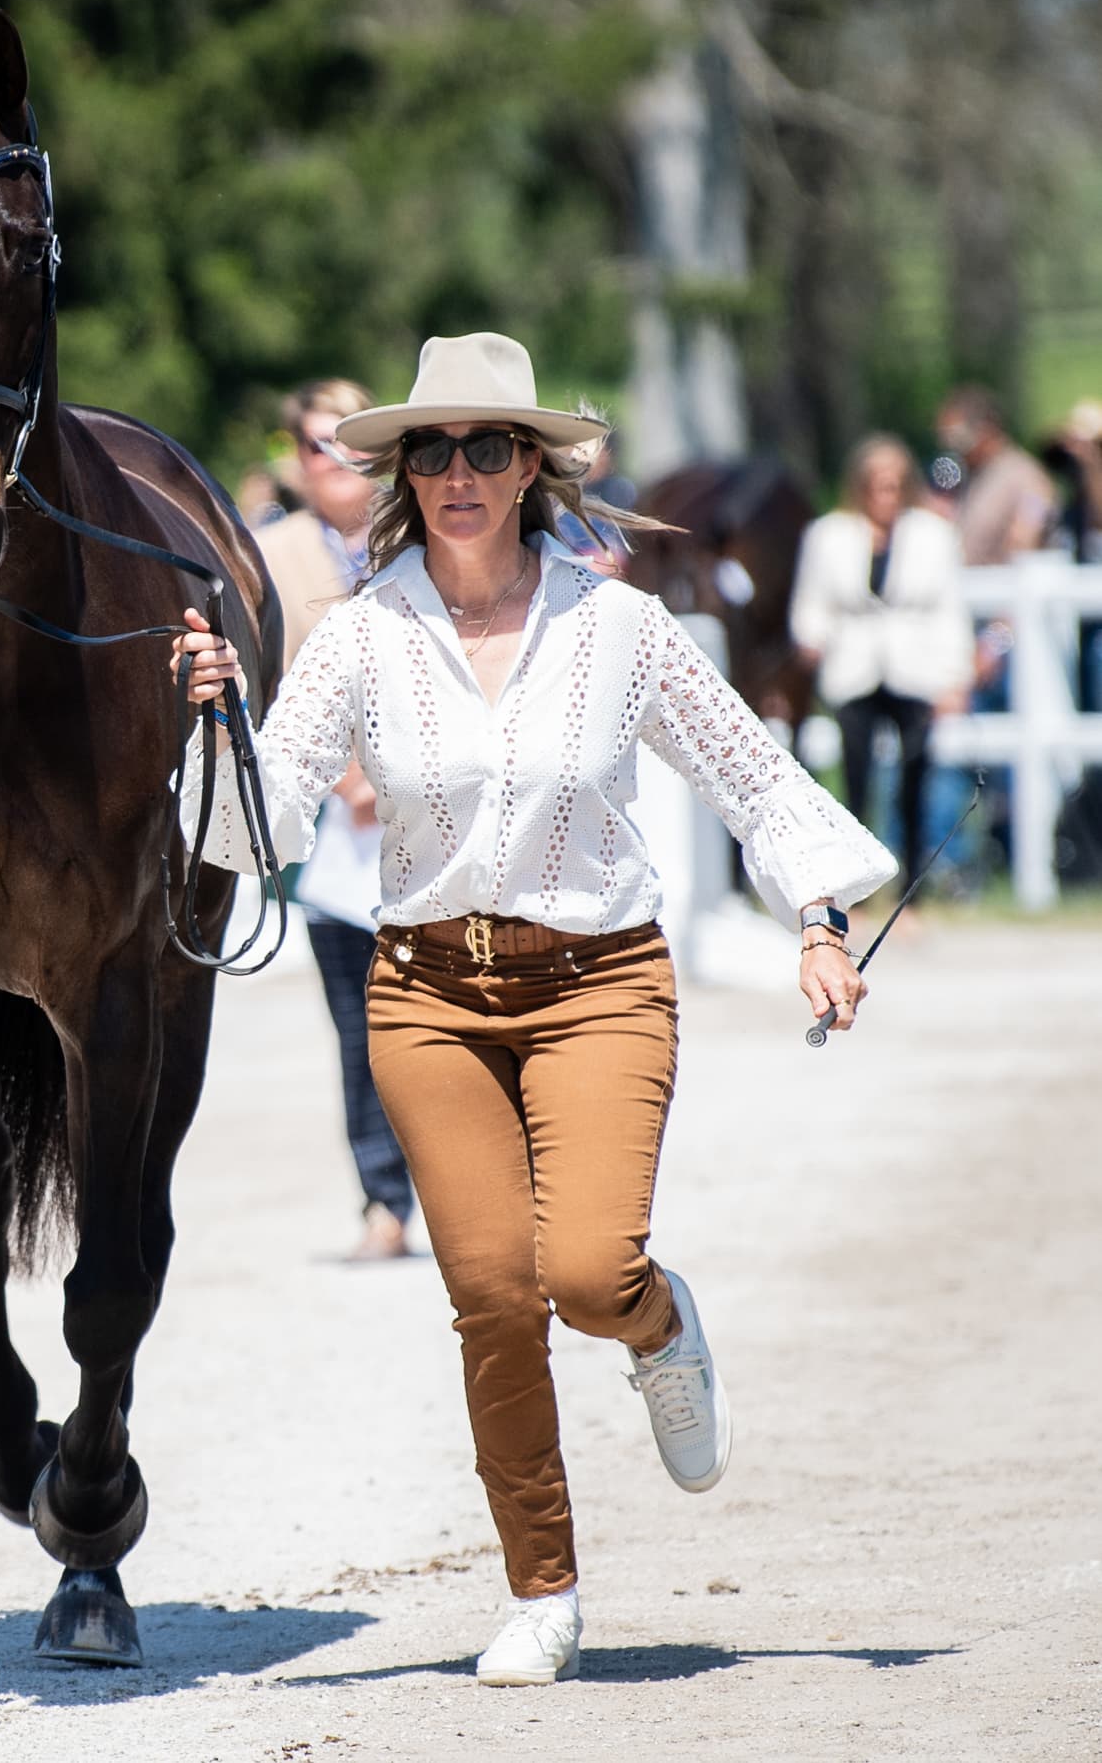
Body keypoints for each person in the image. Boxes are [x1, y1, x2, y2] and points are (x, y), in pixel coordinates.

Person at [173, 332, 895, 1687]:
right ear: (402, 472)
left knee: (584, 1274)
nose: (458, 472)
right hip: (428, 992)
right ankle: (543, 1589)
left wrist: (816, 916)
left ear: (531, 469)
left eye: (487, 447)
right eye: (432, 449)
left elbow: (749, 771)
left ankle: (656, 1321)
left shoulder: (616, 625)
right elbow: (256, 821)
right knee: (495, 1293)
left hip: (597, 982)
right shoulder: (364, 631)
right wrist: (208, 722)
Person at [254, 377, 415, 1260]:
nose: (338, 461)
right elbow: (258, 681)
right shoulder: (270, 555)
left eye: (354, 441)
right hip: (339, 828)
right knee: (361, 1029)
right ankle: (383, 1200)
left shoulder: (430, 532)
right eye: (319, 444)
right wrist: (340, 779)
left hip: (442, 819)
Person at [788, 436, 973, 891]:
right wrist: (811, 640)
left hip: (915, 667)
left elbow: (950, 609)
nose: (886, 496)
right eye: (877, 486)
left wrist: (955, 676)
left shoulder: (933, 535)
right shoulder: (829, 534)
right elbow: (811, 602)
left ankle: (914, 888)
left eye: (894, 486)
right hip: (853, 666)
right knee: (855, 776)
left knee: (915, 776)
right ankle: (857, 884)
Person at [936, 386, 1054, 570]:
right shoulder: (972, 477)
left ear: (986, 429)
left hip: (1004, 592)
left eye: (959, 438)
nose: (954, 449)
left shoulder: (1025, 477)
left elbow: (1027, 537)